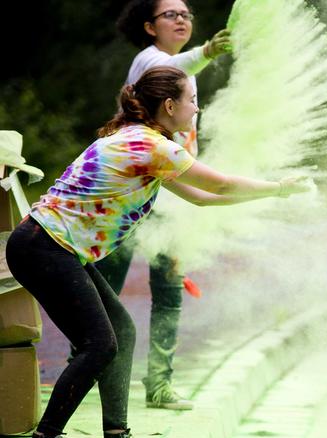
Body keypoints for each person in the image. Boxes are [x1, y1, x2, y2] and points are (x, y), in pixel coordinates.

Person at [7, 66, 313, 438]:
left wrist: (272, 194)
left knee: (120, 333)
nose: (197, 107)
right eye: (192, 99)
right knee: (99, 344)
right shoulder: (150, 145)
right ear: (169, 105)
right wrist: (278, 187)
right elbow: (220, 185)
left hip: (50, 246)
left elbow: (203, 199)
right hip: (45, 246)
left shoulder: (144, 142)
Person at [91, 0, 233, 411]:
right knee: (107, 288)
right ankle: (87, 368)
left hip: (168, 196)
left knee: (169, 290)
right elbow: (168, 74)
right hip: (129, 197)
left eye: (187, 14)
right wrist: (206, 53)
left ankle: (160, 384)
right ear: (149, 27)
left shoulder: (183, 73)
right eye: (171, 14)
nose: (182, 19)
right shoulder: (149, 62)